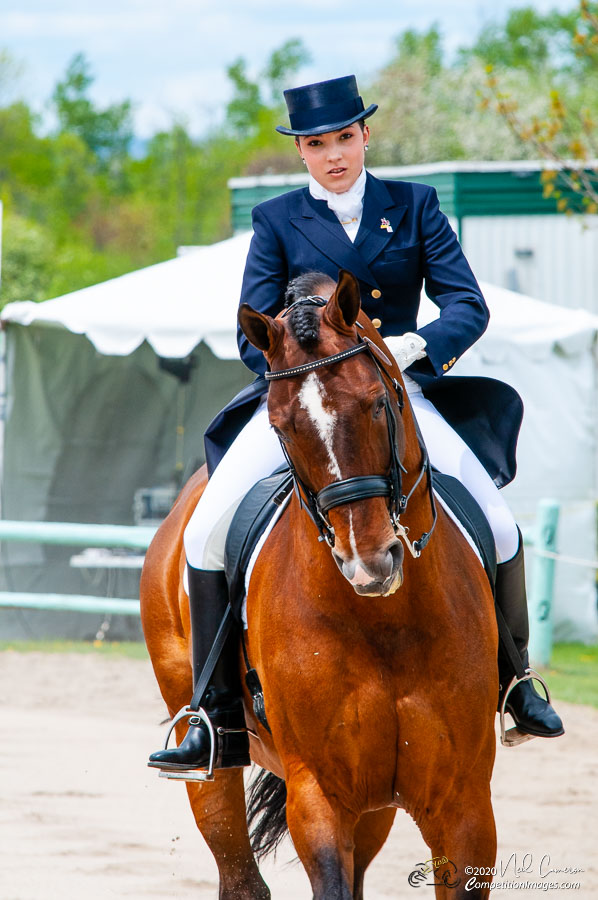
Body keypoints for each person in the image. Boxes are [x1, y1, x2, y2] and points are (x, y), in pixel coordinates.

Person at [148, 74, 563, 774]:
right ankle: (213, 719)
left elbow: (467, 303)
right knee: (207, 528)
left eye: (344, 137)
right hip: (305, 402)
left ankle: (515, 683)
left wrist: (412, 347)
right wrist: (301, 358)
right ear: (301, 153)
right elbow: (251, 333)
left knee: (496, 522)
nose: (334, 154)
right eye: (317, 144)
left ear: (365, 136)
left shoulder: (415, 205)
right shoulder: (277, 219)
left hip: (393, 394)